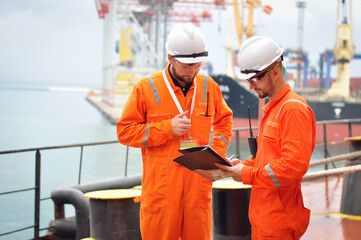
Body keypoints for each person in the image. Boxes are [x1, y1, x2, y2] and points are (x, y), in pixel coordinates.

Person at [116, 22, 233, 240]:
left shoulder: (209, 87)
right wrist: (167, 128)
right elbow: (124, 132)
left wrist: (216, 152)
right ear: (170, 58)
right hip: (161, 191)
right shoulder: (146, 88)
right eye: (187, 67)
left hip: (198, 187)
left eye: (197, 65)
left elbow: (225, 122)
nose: (193, 71)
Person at [215, 36, 316, 239]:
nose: (252, 87)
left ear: (276, 72)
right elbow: (266, 161)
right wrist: (240, 165)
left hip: (279, 222)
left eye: (255, 79)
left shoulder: (293, 110)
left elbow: (292, 166)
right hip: (265, 220)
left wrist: (245, 174)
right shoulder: (274, 109)